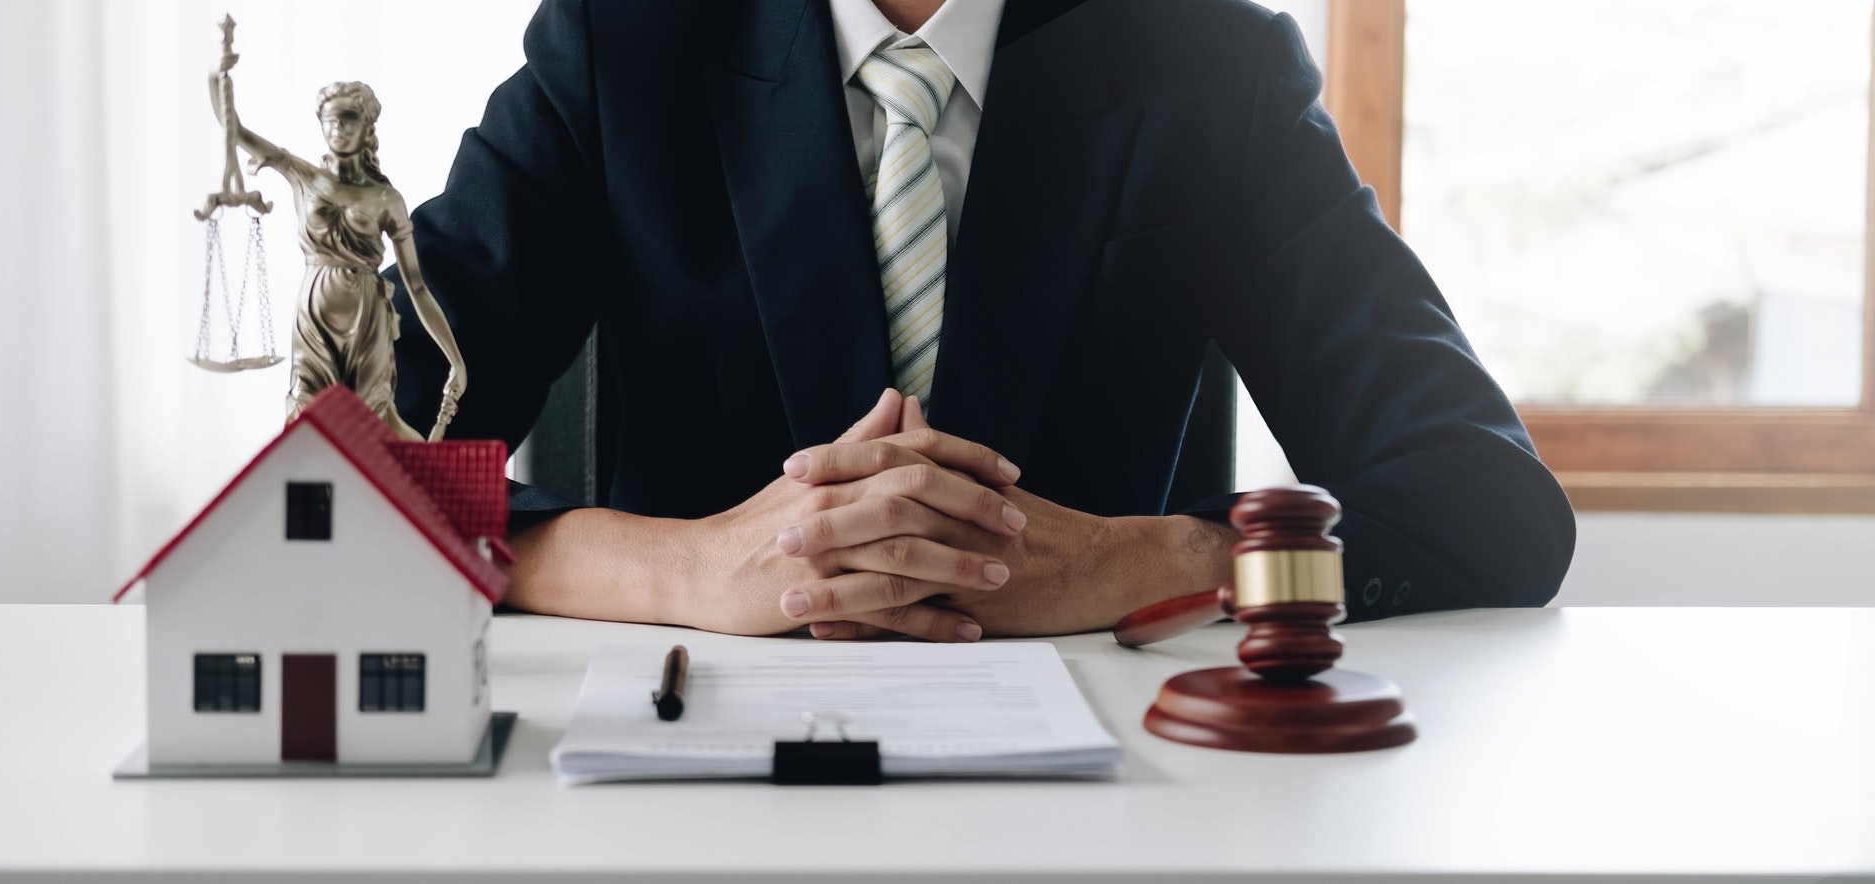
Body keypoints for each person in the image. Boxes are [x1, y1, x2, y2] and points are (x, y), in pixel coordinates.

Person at [387, 0, 1577, 641]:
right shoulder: (621, 38)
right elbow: (355, 466)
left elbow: (1488, 503)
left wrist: (1152, 562)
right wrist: (677, 564)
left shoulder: (1209, 60)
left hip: (1108, 788)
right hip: (688, 764)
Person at [209, 53, 468, 440]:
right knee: (304, 418)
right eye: (331, 119)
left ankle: (419, 486)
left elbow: (416, 286)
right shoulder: (303, 177)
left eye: (349, 118)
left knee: (377, 423)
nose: (339, 127)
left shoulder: (385, 199)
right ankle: (297, 497)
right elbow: (236, 130)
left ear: (368, 128)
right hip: (314, 317)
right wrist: (218, 76)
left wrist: (455, 358)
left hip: (367, 320)